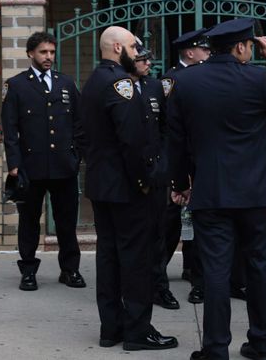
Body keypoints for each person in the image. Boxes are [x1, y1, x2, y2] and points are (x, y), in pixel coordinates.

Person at [168, 18, 266, 360]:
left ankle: (215, 348)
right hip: (255, 194)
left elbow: (176, 139)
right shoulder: (259, 78)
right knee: (259, 267)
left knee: (215, 271)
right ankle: (261, 344)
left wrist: (182, 182)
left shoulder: (185, 81)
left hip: (212, 192)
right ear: (242, 47)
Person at [80, 26, 178, 351]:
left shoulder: (94, 80)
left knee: (108, 257)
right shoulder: (121, 84)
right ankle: (137, 331)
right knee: (135, 260)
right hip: (127, 189)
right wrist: (146, 180)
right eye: (135, 47)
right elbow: (132, 141)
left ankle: (111, 328)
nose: (138, 53)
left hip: (102, 187)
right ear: (118, 47)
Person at [1, 31, 85, 292]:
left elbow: (79, 124)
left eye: (51, 52)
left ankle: (70, 270)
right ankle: (28, 271)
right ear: (31, 54)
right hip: (31, 167)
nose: (49, 57)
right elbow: (10, 128)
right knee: (29, 222)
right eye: (43, 52)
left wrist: (76, 157)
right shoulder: (17, 85)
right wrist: (14, 164)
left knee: (66, 222)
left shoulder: (66, 83)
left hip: (63, 167)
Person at [161, 28, 212, 304]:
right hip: (176, 160)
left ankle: (196, 273)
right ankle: (157, 275)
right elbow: (169, 126)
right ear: (190, 52)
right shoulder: (172, 79)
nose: (208, 53)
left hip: (199, 158)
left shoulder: (202, 75)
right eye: (204, 49)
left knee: (200, 221)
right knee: (170, 221)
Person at [131, 40, 180, 311]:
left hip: (156, 172)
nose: (149, 64)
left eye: (149, 59)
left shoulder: (154, 86)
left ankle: (160, 287)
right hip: (129, 174)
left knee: (159, 234)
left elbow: (165, 128)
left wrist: (164, 165)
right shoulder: (118, 86)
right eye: (143, 59)